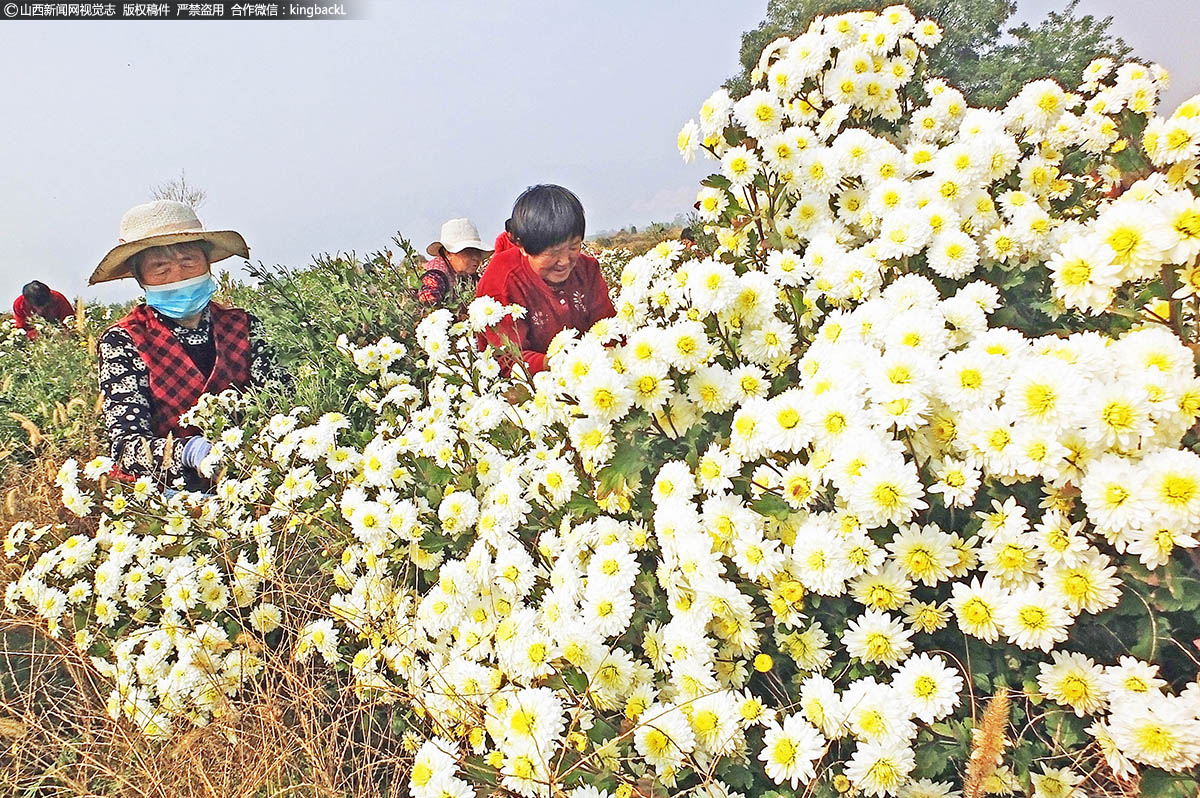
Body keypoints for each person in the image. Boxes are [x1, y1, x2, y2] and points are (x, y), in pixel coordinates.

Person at [90, 200, 286, 490]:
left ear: (207, 264)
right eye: (160, 268)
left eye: (188, 261)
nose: (178, 276)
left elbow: (278, 403)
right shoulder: (124, 340)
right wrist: (190, 452)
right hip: (174, 499)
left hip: (255, 477)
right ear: (140, 278)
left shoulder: (245, 326)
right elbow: (125, 446)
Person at [475, 184, 615, 375]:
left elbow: (609, 330)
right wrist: (555, 363)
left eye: (574, 247)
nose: (565, 261)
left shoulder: (587, 270)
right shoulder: (503, 280)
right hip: (529, 390)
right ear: (523, 246)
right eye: (554, 252)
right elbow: (505, 358)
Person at [417, 218, 491, 305]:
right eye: (468, 251)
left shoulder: (470, 278)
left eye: (478, 252)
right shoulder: (435, 276)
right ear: (448, 253)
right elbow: (428, 304)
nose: (476, 257)